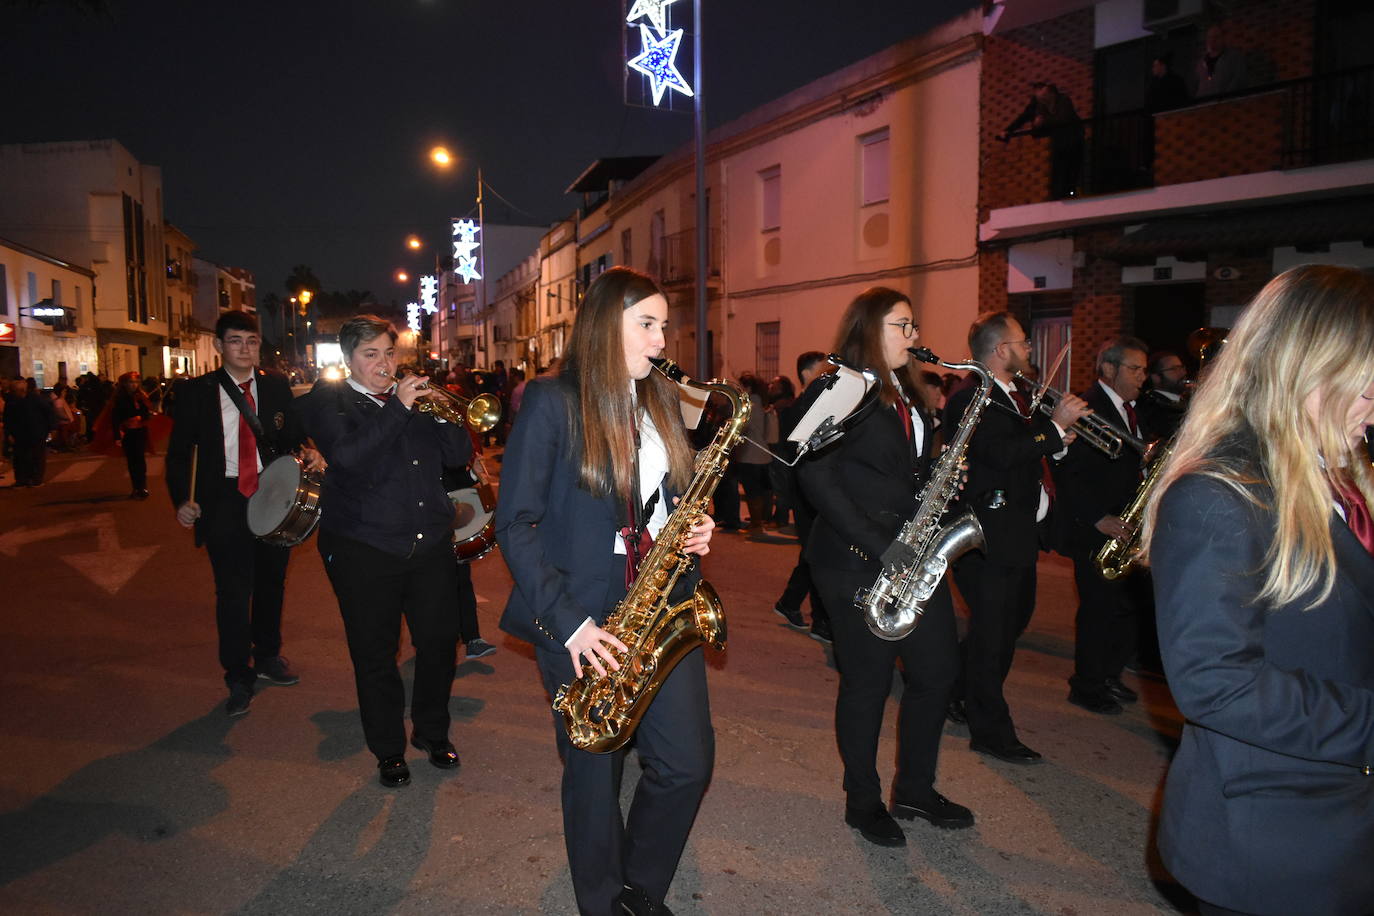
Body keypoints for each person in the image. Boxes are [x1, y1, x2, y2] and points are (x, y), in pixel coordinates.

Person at [1141, 264, 1374, 916]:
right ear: (1309, 369)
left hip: (1339, 818)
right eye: (1366, 382)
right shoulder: (1219, 495)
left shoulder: (1342, 471)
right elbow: (1217, 683)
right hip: (1275, 838)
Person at [494, 267, 716, 916]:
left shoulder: (660, 402)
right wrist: (570, 627)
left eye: (663, 326)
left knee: (686, 766)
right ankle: (602, 901)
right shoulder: (552, 401)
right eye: (645, 324)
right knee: (594, 779)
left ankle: (638, 889)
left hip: (661, 607)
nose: (660, 339)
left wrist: (694, 527)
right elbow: (516, 523)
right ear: (602, 327)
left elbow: (666, 501)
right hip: (583, 622)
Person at [798, 286, 972, 848]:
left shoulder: (911, 394)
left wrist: (939, 477)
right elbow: (812, 475)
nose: (914, 335)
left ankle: (916, 788)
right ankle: (863, 801)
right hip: (854, 559)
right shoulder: (840, 387)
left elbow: (899, 473)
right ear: (870, 329)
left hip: (913, 556)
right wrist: (879, 544)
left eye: (913, 324)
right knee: (869, 683)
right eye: (902, 324)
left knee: (938, 672)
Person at [298, 315, 473, 788]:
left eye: (389, 353)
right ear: (348, 358)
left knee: (439, 644)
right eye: (370, 354)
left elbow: (457, 457)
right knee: (375, 653)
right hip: (364, 547)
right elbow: (350, 457)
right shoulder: (328, 401)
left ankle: (432, 732)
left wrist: (442, 412)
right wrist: (397, 407)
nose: (383, 363)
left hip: (429, 542)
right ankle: (388, 749)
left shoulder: (414, 400)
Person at [945, 312, 1088, 763]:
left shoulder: (1017, 396)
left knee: (1009, 628)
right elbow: (999, 454)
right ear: (1001, 350)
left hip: (1020, 534)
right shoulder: (971, 398)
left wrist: (1059, 438)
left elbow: (1028, 454)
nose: (1030, 350)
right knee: (992, 638)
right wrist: (1052, 428)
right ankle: (991, 731)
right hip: (986, 536)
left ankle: (954, 690)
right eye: (1023, 342)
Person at [166, 311, 314, 717]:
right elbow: (179, 455)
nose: (245, 349)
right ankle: (237, 674)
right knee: (233, 590)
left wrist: (308, 448)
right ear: (219, 346)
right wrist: (183, 499)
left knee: (272, 581)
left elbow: (292, 435)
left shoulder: (277, 386)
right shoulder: (196, 392)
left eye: (251, 341)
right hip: (224, 498)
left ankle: (267, 655)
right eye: (235, 341)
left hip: (272, 494)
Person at [1053, 336, 1150, 714]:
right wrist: (1097, 518)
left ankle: (1108, 675)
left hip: (1126, 522)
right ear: (1108, 369)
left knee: (1124, 608)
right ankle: (1087, 684)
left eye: (1143, 369)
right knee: (1098, 609)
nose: (1143, 376)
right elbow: (1068, 473)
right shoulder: (1087, 407)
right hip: (1096, 526)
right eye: (1134, 368)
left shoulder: (1134, 409)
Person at [772, 350, 833, 643]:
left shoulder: (813, 402)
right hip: (804, 490)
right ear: (807, 373)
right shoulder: (797, 407)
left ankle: (790, 603)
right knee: (815, 553)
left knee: (813, 552)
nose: (827, 372)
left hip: (814, 489)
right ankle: (819, 619)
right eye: (822, 368)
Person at [1000, 81, 1084, 199]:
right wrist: (1011, 129)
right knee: (1058, 167)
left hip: (1073, 138)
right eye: (1040, 99)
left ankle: (1071, 192)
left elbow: (1063, 118)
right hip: (1059, 141)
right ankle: (1058, 195)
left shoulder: (1063, 100)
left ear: (1050, 93)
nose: (1041, 101)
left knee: (1071, 167)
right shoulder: (1041, 104)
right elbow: (1031, 120)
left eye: (1043, 98)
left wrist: (1044, 121)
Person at [112, 371, 152, 499]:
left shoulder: (141, 397)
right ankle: (136, 487)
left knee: (140, 460)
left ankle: (142, 487)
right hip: (128, 433)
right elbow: (115, 418)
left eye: (135, 382)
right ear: (125, 384)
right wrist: (117, 436)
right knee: (132, 461)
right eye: (131, 382)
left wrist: (145, 413)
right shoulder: (119, 399)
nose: (134, 385)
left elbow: (147, 413)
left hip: (139, 431)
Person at [4, 377, 51, 486]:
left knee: (36, 457)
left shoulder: (35, 399)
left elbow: (48, 413)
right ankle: (22, 479)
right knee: (20, 458)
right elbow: (8, 418)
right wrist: (9, 433)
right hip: (20, 434)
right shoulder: (12, 401)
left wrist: (49, 428)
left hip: (36, 433)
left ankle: (36, 479)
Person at [1137, 349, 1189, 441]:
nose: (1183, 373)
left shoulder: (1184, 400)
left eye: (1182, 367)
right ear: (1156, 377)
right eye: (1174, 369)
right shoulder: (1152, 406)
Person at [1194, 23, 1246, 98]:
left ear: (1223, 38)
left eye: (1216, 37)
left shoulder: (1234, 57)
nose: (1212, 40)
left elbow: (1239, 80)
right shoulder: (1201, 63)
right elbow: (1198, 85)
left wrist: (1225, 97)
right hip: (1205, 104)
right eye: (1210, 37)